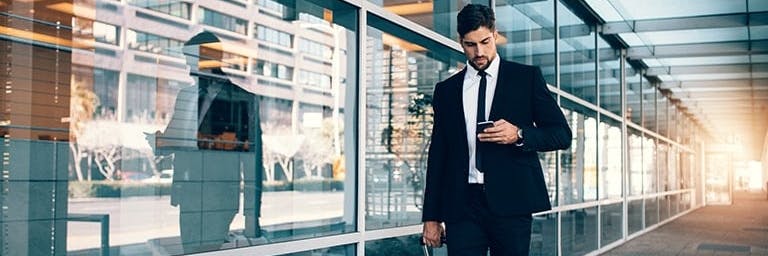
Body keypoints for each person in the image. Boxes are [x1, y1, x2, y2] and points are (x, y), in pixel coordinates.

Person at [421, 4, 572, 255]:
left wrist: (519, 134)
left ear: (495, 34)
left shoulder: (526, 78)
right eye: (470, 44)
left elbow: (561, 134)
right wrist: (431, 217)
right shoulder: (446, 91)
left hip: (512, 202)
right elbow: (438, 155)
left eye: (485, 42)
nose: (479, 52)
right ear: (460, 41)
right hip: (462, 206)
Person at [152, 31, 264, 254]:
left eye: (191, 62)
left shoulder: (242, 99)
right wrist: (159, 142)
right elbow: (175, 141)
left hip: (219, 198)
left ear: (209, 60)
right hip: (188, 194)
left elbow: (253, 161)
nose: (188, 69)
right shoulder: (185, 96)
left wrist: (252, 214)